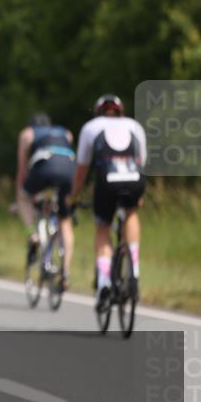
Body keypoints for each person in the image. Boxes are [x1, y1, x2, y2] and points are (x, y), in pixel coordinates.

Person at [69, 94, 147, 310]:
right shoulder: (134, 126)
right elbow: (142, 160)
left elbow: (82, 168)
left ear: (98, 112)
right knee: (131, 213)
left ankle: (103, 282)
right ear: (121, 111)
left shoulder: (91, 127)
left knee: (103, 226)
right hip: (134, 177)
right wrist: (139, 195)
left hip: (107, 179)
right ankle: (135, 270)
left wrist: (73, 196)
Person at [14, 112, 76, 287]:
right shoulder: (66, 133)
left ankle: (33, 235)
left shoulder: (27, 134)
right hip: (70, 170)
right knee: (65, 221)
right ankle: (65, 272)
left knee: (24, 198)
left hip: (44, 168)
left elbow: (22, 170)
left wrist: (20, 196)